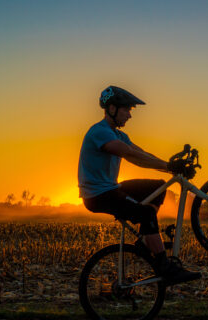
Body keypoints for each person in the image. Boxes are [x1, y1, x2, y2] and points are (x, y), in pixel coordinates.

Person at [78, 85, 201, 286]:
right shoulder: (99, 132)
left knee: (158, 187)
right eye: (127, 110)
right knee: (145, 214)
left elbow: (142, 155)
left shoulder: (119, 135)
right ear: (111, 109)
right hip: (98, 195)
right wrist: (169, 165)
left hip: (110, 188)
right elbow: (130, 154)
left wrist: (172, 169)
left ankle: (146, 240)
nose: (129, 115)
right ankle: (165, 267)